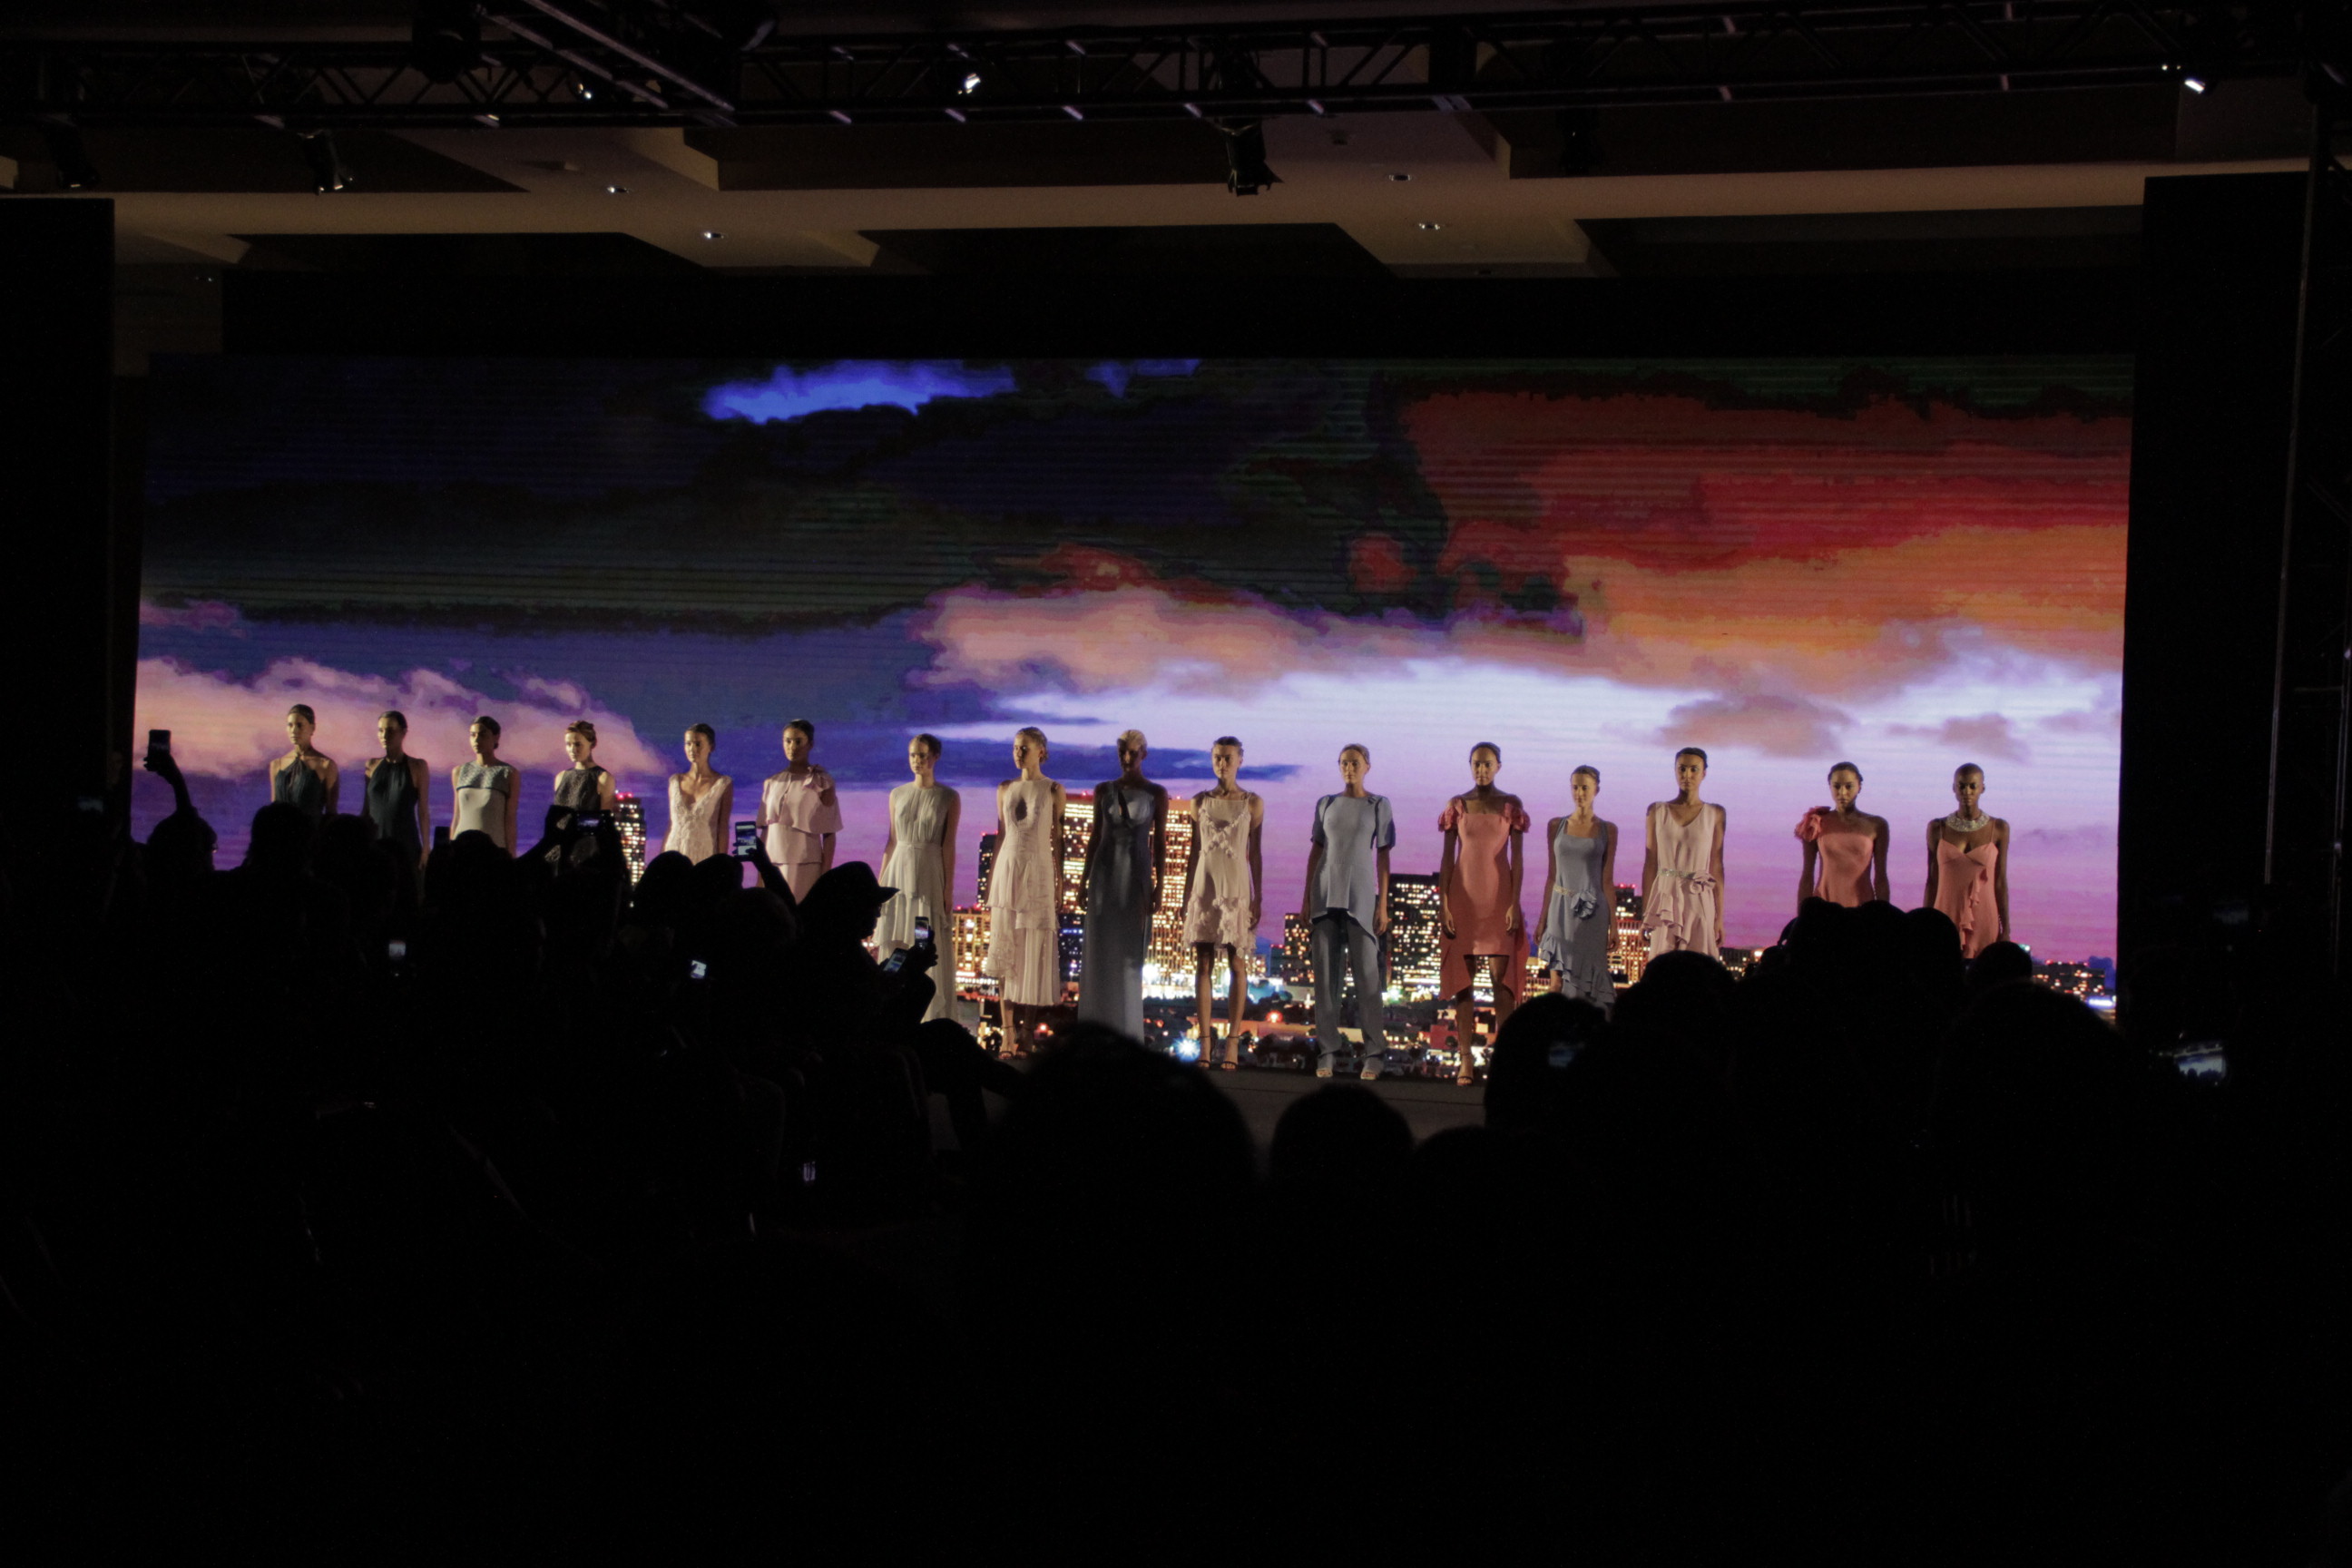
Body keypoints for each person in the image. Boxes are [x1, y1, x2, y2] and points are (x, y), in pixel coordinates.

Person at [1437, 741, 1530, 1086]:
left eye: (1488, 764)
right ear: (1470, 765)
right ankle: (1465, 1060)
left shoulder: (1511, 805)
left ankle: (1503, 1061)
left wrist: (1515, 902)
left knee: (1501, 985)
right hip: (1462, 896)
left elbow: (1518, 859)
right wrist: (1444, 903)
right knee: (1464, 983)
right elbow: (1447, 858)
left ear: (1498, 766)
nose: (1481, 770)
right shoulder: (1457, 805)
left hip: (1499, 896)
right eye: (1476, 764)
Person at [1299, 742, 1394, 1080]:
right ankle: (1327, 1051)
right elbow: (1316, 850)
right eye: (1343, 763)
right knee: (1325, 978)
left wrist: (1383, 904)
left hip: (1361, 893)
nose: (1348, 768)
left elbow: (1384, 855)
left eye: (1354, 763)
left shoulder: (1378, 804)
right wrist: (1306, 898)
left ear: (1367, 766)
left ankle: (1374, 1054)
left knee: (1368, 976)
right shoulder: (1325, 803)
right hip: (1325, 890)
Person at [1076, 730, 1168, 1040]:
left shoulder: (1156, 793)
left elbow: (1161, 843)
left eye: (1132, 753)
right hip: (1104, 873)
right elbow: (1095, 837)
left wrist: (1159, 886)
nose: (1127, 758)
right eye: (1122, 753)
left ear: (1144, 754)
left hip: (1136, 874)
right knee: (1101, 949)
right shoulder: (1103, 790)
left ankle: (1126, 1030)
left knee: (1129, 951)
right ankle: (1095, 1029)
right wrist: (1083, 882)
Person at [983, 727, 1066, 1055]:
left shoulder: (1053, 789)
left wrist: (1060, 883)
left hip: (1039, 869)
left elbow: (1058, 838)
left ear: (1041, 751)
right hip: (1008, 869)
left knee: (1035, 948)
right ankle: (1007, 1032)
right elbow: (1001, 836)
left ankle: (1028, 1031)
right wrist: (991, 880)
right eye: (1016, 747)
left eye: (1025, 748)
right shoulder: (1005, 788)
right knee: (1005, 948)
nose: (1018, 753)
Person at [1181, 736, 1263, 1070]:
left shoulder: (1252, 803)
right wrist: (1187, 896)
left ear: (1240, 760)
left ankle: (1232, 1042)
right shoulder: (1199, 802)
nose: (1222, 763)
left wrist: (1258, 896)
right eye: (1217, 757)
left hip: (1237, 887)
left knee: (1236, 964)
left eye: (1228, 757)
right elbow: (1192, 852)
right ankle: (1204, 1042)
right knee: (1202, 963)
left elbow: (1255, 853)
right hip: (1205, 884)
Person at [879, 733, 960, 1023]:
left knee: (923, 937)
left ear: (935, 757)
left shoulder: (948, 797)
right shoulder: (897, 794)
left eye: (923, 755)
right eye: (913, 754)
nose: (917, 760)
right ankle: (889, 1011)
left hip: (928, 873)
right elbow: (891, 840)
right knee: (896, 940)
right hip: (898, 870)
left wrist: (948, 889)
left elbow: (948, 845)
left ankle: (925, 1016)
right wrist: (880, 884)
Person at [1534, 763, 1618, 1016]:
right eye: (1575, 787)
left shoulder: (1608, 830)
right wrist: (1542, 919)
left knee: (1589, 988)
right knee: (1556, 983)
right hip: (1560, 909)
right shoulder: (1555, 825)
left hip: (1593, 914)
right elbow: (1551, 875)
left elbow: (1607, 880)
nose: (1579, 793)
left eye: (1585, 788)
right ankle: (1555, 1035)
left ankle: (1590, 1034)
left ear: (1596, 790)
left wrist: (1614, 925)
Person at [1642, 746, 1725, 959]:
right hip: (1665, 898)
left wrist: (1719, 918)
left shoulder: (1715, 813)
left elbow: (1716, 866)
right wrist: (1646, 913)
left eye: (1694, 769)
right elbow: (1650, 863)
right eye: (1682, 769)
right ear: (1675, 770)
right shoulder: (1656, 811)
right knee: (1663, 966)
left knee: (1698, 965)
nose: (1687, 775)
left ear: (1704, 773)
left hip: (1698, 897)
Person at [1925, 761, 2011, 958]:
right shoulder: (1937, 828)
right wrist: (1924, 923)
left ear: (1982, 788)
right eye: (1962, 786)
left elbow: (2000, 882)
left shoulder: (1999, 828)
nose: (1967, 792)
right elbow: (1932, 880)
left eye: (1973, 786)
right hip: (1944, 914)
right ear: (1954, 788)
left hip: (1984, 916)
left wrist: (2006, 929)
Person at [760, 719, 843, 904]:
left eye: (798, 741)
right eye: (788, 741)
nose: (792, 747)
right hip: (772, 864)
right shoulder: (772, 782)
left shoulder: (822, 782)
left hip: (806, 865)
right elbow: (765, 830)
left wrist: (824, 877)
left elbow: (829, 833)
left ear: (810, 744)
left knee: (801, 916)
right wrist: (761, 870)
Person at [1795, 760, 1890, 911]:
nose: (1842, 792)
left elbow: (1881, 878)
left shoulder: (1876, 825)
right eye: (1837, 786)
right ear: (1830, 786)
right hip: (1824, 910)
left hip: (1863, 910)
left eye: (1849, 786)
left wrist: (1885, 915)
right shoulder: (1816, 822)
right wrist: (1802, 917)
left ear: (1859, 787)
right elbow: (1807, 876)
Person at [362, 709, 430, 867]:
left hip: (405, 843)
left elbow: (423, 811)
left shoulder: (417, 766)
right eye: (381, 730)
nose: (384, 735)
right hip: (375, 842)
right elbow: (366, 808)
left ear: (403, 733)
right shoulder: (371, 765)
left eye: (390, 730)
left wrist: (426, 847)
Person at [663, 723, 734, 864]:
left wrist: (721, 862)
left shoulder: (723, 783)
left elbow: (722, 827)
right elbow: (671, 824)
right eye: (688, 743)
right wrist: (660, 861)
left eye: (698, 744)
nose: (692, 749)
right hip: (673, 851)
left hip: (703, 853)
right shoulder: (675, 781)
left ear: (711, 747)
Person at [450, 714, 519, 854]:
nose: (477, 740)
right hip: (461, 848)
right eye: (473, 735)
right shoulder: (459, 771)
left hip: (493, 850)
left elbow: (510, 819)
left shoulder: (508, 773)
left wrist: (511, 855)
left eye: (482, 735)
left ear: (496, 737)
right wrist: (449, 849)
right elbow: (457, 816)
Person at [268, 703, 338, 821]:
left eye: (299, 725)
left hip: (311, 830)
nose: (294, 730)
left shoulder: (326, 765)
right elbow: (273, 806)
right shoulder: (276, 765)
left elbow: (331, 811)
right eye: (290, 725)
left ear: (312, 728)